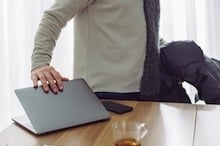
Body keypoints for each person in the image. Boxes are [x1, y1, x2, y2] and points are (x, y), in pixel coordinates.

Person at [30, 0, 220, 104]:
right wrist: (40, 63)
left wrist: (171, 60)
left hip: (146, 93)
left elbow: (146, 34)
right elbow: (53, 17)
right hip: (105, 94)